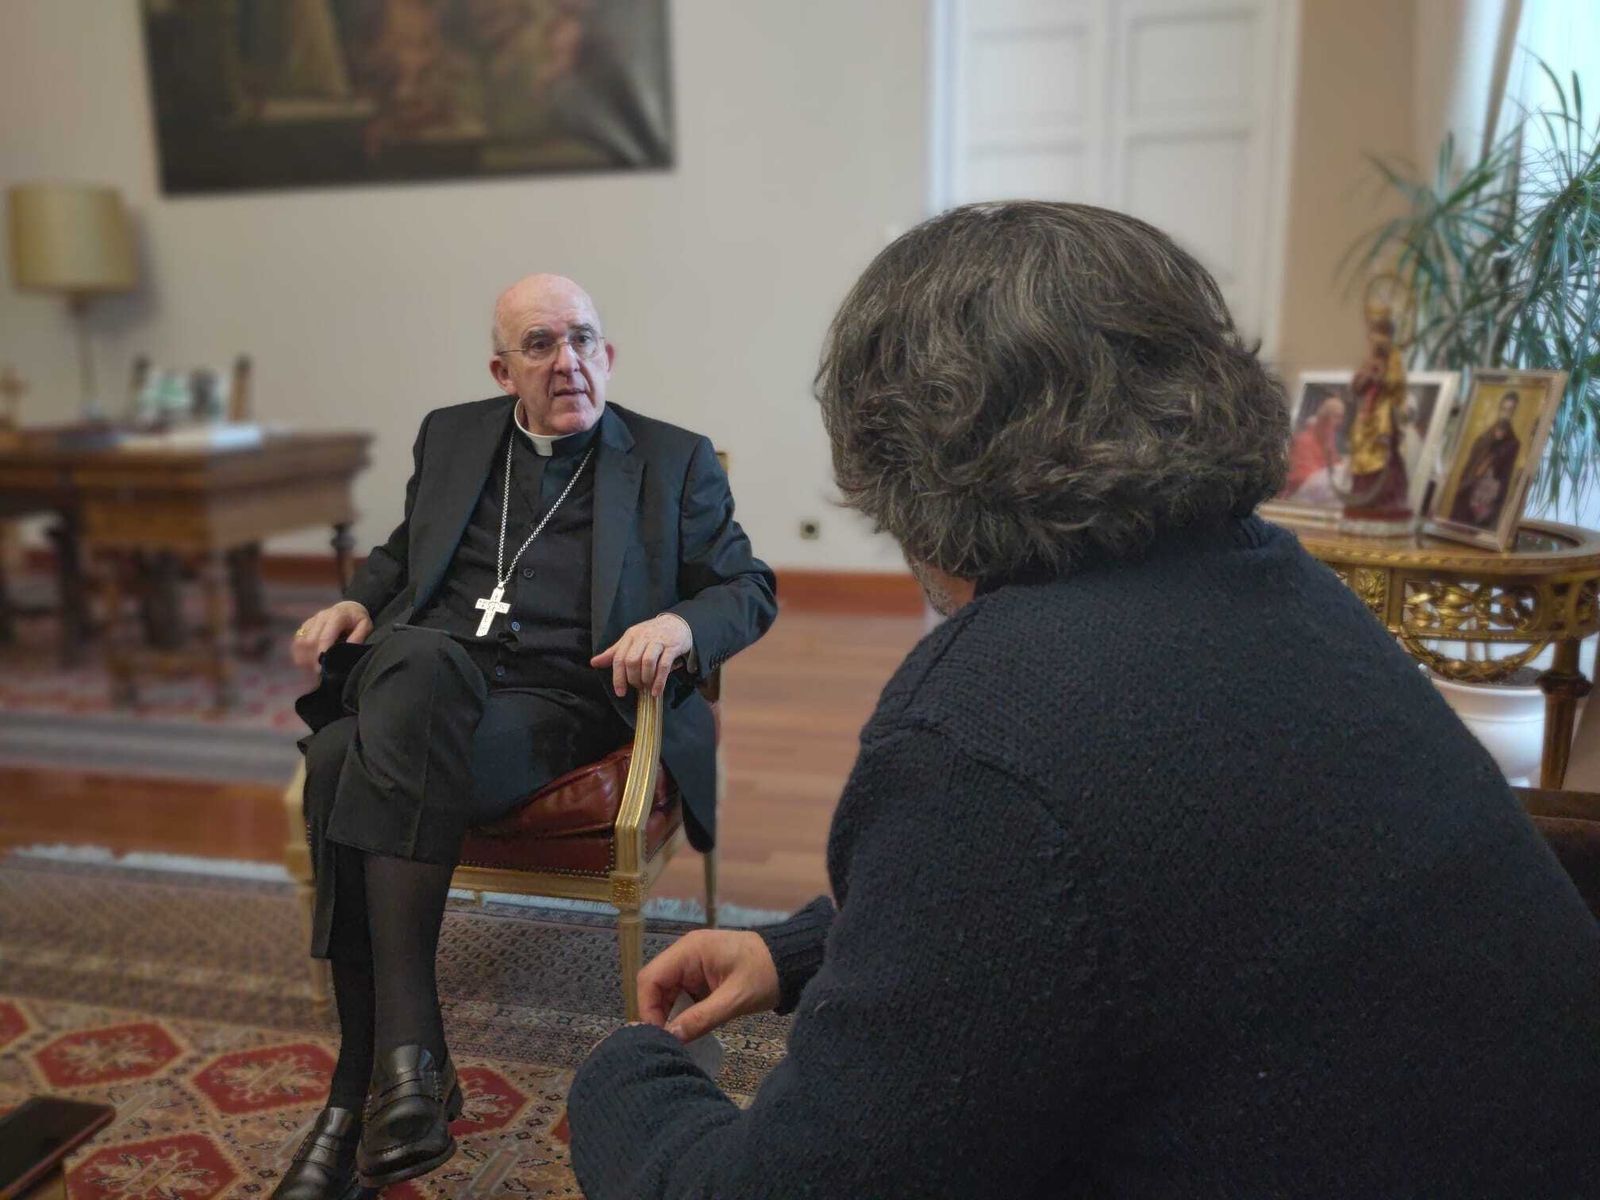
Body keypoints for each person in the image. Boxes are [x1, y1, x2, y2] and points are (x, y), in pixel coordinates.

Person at [567, 202, 1600, 1198]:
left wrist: (625, 1075)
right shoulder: (1283, 585)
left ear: (901, 456)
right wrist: (792, 950)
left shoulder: (985, 728)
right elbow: (1100, 891)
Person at [275, 273, 775, 1198]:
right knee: (413, 673)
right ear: (503, 370)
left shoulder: (673, 460)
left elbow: (746, 587)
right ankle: (396, 1079)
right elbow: (402, 554)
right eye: (540, 345)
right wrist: (358, 596)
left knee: (347, 756)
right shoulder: (453, 436)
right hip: (423, 689)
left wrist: (682, 627)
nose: (567, 362)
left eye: (582, 339)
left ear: (609, 355)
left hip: (557, 707)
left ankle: (366, 1085)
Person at [1449, 391, 1523, 528]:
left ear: (1514, 412)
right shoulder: (1483, 438)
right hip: (1466, 497)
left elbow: (1504, 480)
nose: (1505, 414)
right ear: (1500, 408)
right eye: (1504, 409)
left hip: (1486, 504)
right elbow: (1468, 468)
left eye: (1510, 410)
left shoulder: (1513, 444)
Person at [1281, 391, 1346, 501]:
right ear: (1323, 417)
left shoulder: (1329, 444)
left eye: (1340, 417)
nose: (1338, 422)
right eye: (1335, 416)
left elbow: (1336, 472)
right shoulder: (1304, 442)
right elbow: (1300, 479)